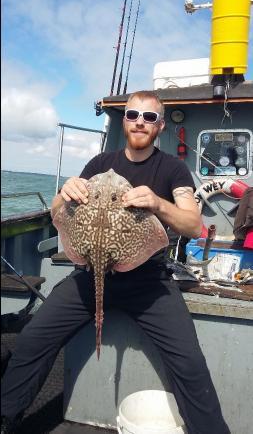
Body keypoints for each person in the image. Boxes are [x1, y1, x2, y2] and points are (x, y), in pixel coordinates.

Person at [1, 91, 230, 434]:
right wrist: (65, 192)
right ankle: (6, 418)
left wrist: (157, 203)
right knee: (33, 338)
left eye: (150, 117)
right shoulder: (98, 165)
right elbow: (57, 213)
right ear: (124, 120)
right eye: (133, 114)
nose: (140, 121)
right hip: (90, 270)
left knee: (190, 363)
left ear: (160, 125)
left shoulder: (173, 168)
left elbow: (193, 224)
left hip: (149, 281)